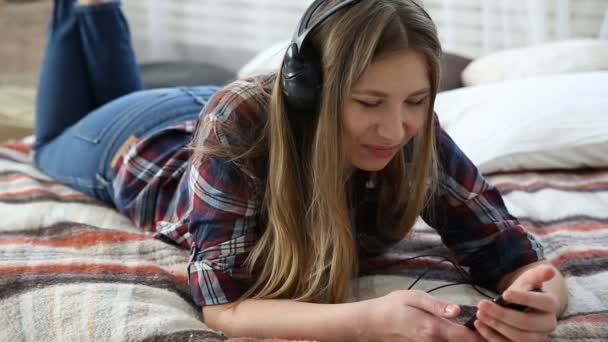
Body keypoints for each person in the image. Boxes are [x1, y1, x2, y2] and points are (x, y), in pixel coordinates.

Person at [34, 0, 568, 340]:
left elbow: (513, 255)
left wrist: (540, 297)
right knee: (49, 142)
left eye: (415, 99)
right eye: (369, 101)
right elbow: (224, 308)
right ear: (308, 89)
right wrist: (372, 320)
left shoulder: (411, 128)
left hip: (208, 115)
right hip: (138, 140)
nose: (394, 129)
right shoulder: (239, 115)